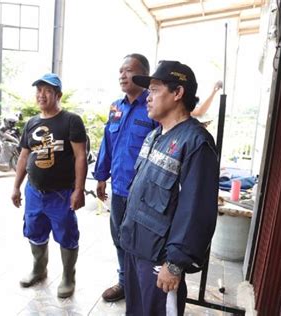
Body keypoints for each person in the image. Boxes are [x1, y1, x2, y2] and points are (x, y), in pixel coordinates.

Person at [120, 60, 219, 315]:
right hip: (135, 247)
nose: (147, 97)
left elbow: (196, 210)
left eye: (154, 90)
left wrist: (175, 263)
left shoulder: (196, 143)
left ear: (177, 93)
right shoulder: (156, 135)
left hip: (159, 260)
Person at [10, 73, 87, 298]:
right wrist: (16, 186)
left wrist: (78, 190)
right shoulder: (32, 123)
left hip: (61, 194)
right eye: (38, 90)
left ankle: (68, 277)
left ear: (58, 95)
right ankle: (39, 269)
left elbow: (80, 156)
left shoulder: (71, 120)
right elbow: (24, 156)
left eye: (47, 90)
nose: (41, 95)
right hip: (34, 191)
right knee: (34, 231)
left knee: (67, 235)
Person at [94, 54, 158, 302]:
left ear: (143, 75)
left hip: (144, 192)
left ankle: (140, 286)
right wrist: (101, 176)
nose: (122, 75)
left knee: (140, 242)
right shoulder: (116, 107)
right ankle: (124, 283)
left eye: (128, 70)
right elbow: (107, 144)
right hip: (118, 188)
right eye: (120, 71)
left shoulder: (153, 107)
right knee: (119, 237)